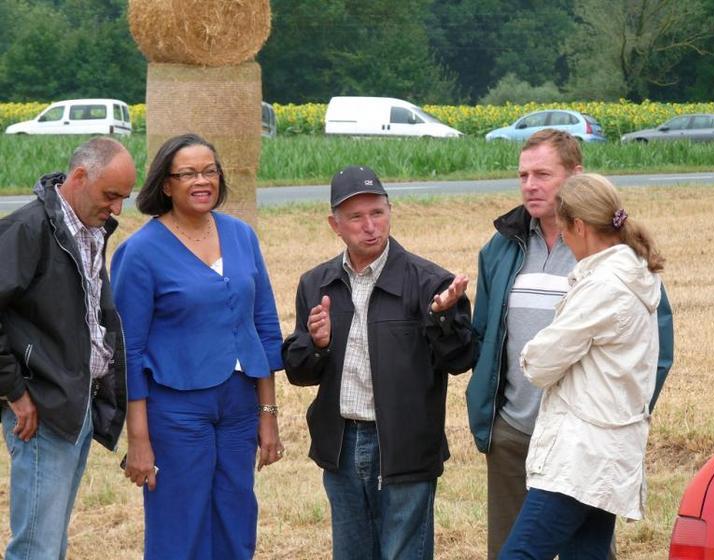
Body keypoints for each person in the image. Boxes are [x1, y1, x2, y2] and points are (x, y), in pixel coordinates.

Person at [466, 129, 674, 559]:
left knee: (519, 554)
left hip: (578, 447)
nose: (530, 184)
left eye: (542, 173)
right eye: (523, 174)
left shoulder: (603, 279)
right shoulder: (505, 247)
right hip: (537, 433)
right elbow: (485, 333)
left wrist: (616, 413)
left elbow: (541, 362)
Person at [282, 165, 474, 560]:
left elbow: (461, 359)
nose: (370, 226)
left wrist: (441, 318)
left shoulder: (429, 282)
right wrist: (316, 344)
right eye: (356, 217)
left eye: (378, 213)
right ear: (334, 224)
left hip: (405, 447)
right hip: (341, 445)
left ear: (390, 211)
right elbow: (299, 373)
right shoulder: (315, 284)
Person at [111, 133, 284, 559]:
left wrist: (268, 415)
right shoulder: (140, 252)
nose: (202, 180)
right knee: (179, 527)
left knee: (236, 519)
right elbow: (128, 352)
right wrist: (138, 438)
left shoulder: (241, 236)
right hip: (175, 411)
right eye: (188, 173)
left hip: (240, 407)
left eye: (210, 171)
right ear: (166, 184)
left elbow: (262, 326)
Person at [0, 137, 135, 559]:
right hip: (41, 409)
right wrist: (15, 392)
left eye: (123, 198)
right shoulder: (28, 228)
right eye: (110, 195)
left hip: (74, 406)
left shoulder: (89, 227)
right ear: (79, 176)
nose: (117, 209)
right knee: (36, 547)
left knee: (52, 543)